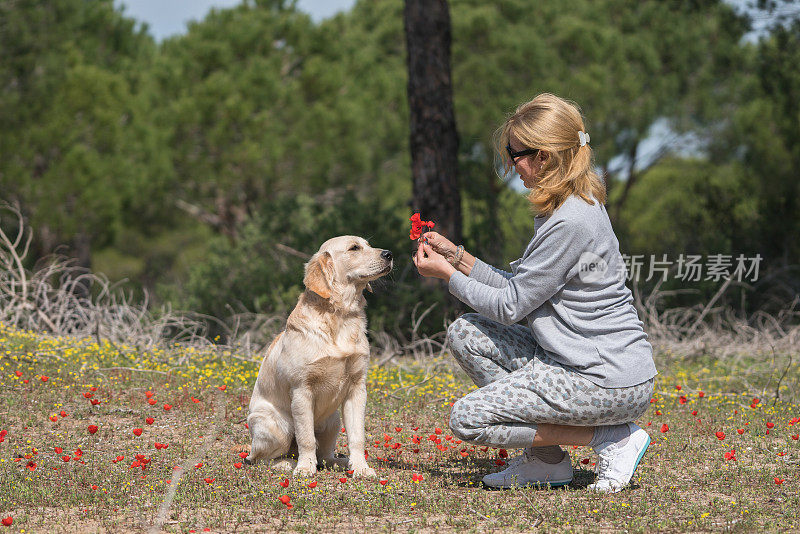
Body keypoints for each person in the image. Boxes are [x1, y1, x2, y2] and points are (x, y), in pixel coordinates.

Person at [413, 93, 658, 493]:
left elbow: (509, 308)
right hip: (580, 359)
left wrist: (446, 276)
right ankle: (547, 463)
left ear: (543, 157)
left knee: (468, 419)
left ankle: (613, 438)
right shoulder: (571, 205)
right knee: (466, 333)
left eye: (515, 154)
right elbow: (520, 291)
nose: (511, 165)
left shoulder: (569, 222)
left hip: (604, 377)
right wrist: (456, 258)